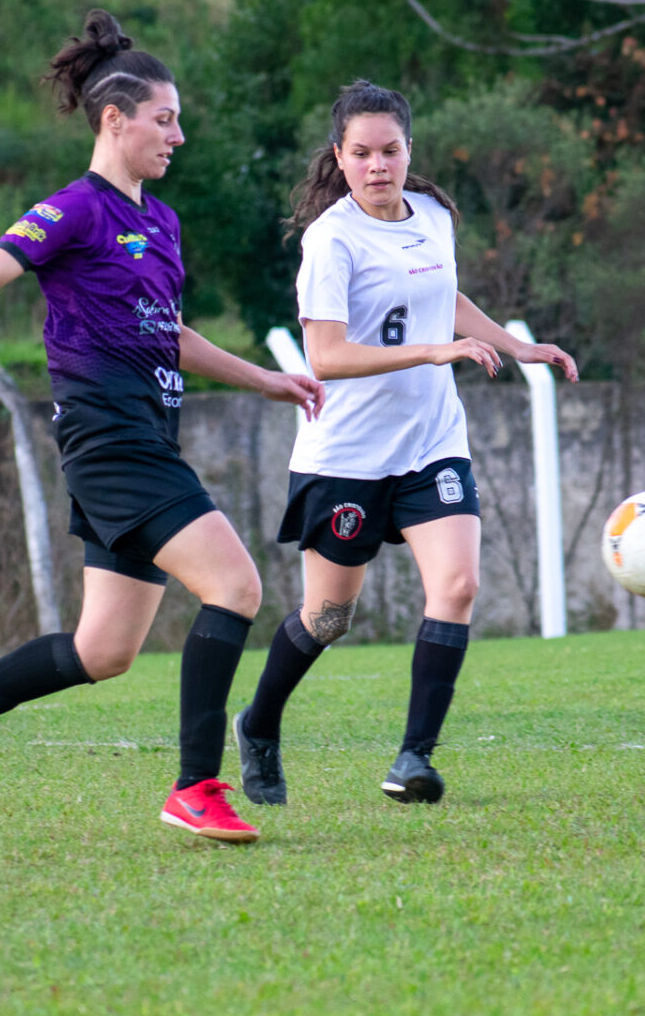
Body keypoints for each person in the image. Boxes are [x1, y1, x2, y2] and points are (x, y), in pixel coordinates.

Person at [0, 9, 325, 843]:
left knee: (104, 651)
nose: (180, 135)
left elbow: (172, 332)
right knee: (236, 587)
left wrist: (265, 378)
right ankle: (196, 786)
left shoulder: (158, 223)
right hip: (108, 438)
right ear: (114, 120)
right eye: (165, 119)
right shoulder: (77, 209)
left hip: (145, 437)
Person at [232, 80, 578, 807]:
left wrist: (517, 346)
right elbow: (324, 356)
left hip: (431, 444)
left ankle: (413, 759)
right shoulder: (331, 241)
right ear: (341, 157)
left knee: (457, 586)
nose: (378, 165)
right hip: (347, 457)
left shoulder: (433, 217)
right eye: (361, 153)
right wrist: (432, 353)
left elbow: (442, 297)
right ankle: (258, 725)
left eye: (390, 150)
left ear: (408, 150)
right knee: (329, 618)